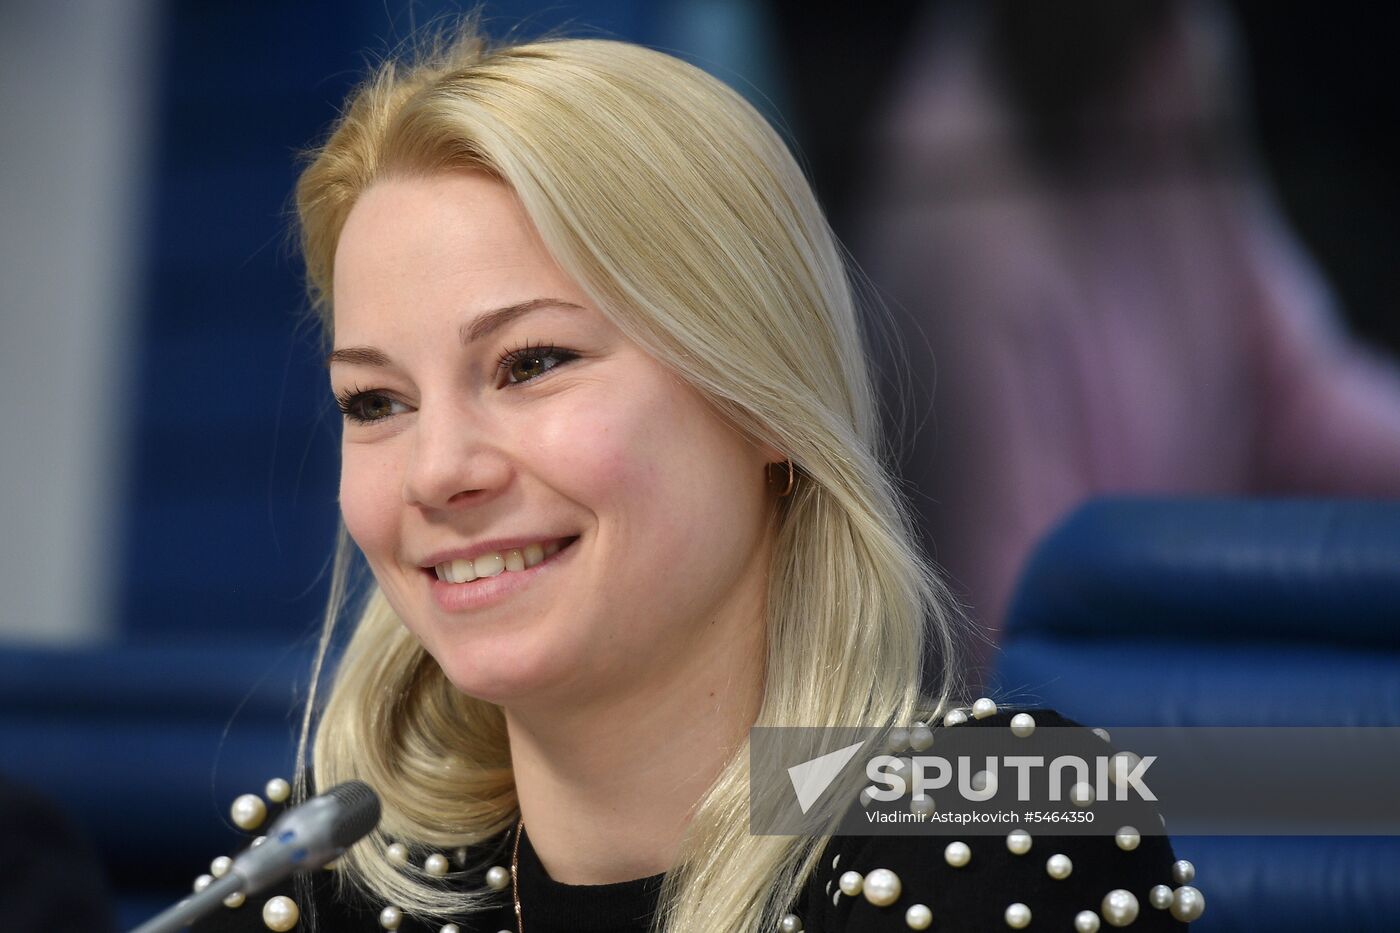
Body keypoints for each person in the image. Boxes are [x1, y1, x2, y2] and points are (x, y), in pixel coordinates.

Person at [187, 17, 1199, 933]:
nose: (437, 471)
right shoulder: (320, 874)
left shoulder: (1002, 821)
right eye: (375, 403)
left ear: (760, 393)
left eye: (531, 364)